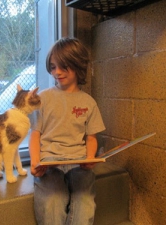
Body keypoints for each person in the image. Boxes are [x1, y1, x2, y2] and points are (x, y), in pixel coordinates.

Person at [29, 37, 106, 225]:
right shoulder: (42, 98)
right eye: (53, 67)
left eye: (63, 67)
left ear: (78, 65)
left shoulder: (88, 102)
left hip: (78, 164)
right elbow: (35, 134)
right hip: (49, 164)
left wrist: (89, 158)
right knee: (51, 203)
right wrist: (35, 161)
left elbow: (91, 137)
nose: (57, 72)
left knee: (85, 202)